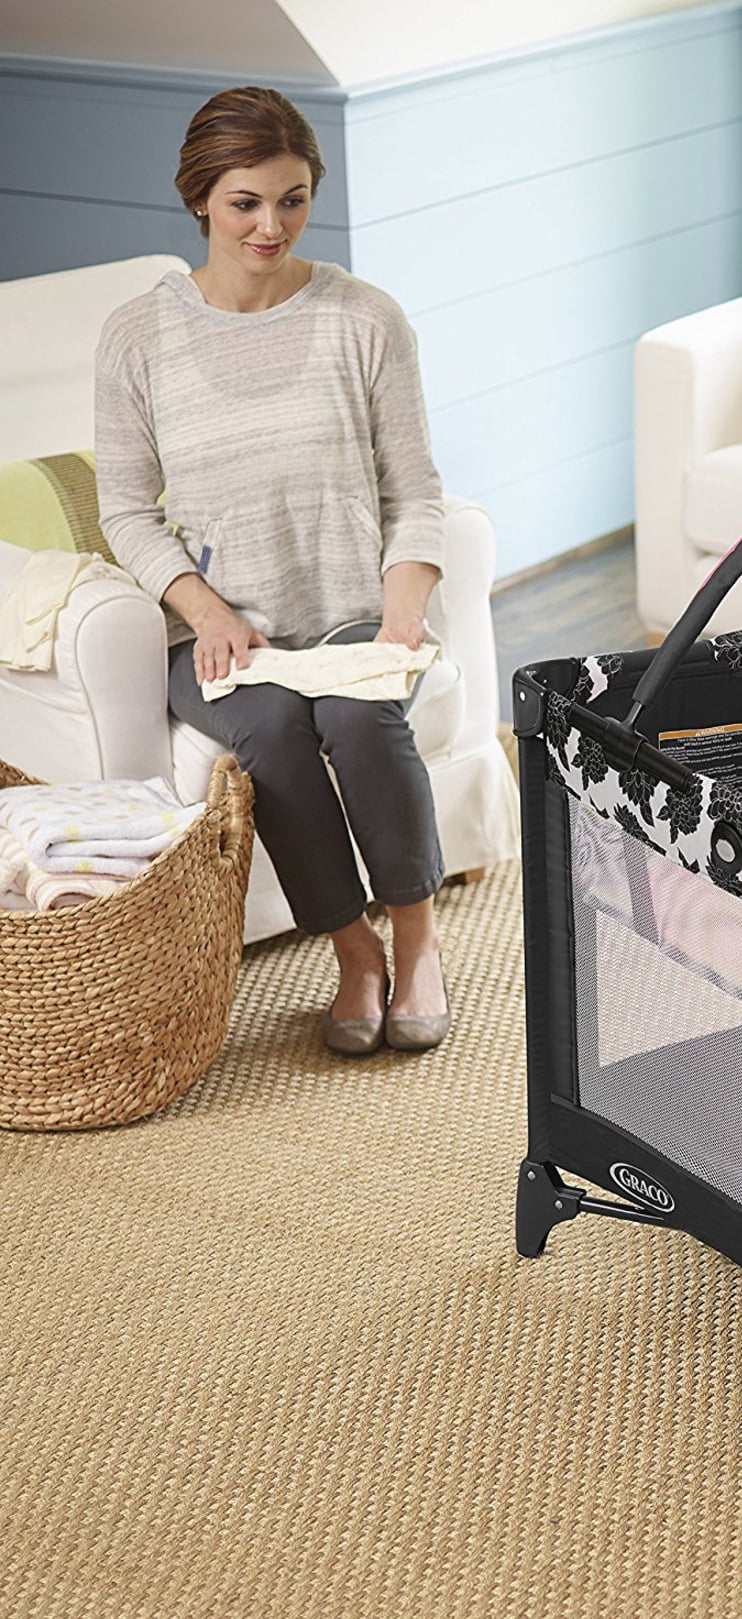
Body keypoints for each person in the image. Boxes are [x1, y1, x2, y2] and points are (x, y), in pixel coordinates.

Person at [95, 86, 450, 1055]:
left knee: (359, 720)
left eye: (293, 200)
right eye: (245, 202)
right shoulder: (138, 335)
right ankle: (353, 953)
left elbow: (415, 488)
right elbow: (124, 509)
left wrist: (403, 609)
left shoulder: (364, 318)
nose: (271, 226)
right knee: (273, 736)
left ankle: (416, 941)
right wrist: (206, 610)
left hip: (350, 609)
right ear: (200, 198)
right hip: (219, 628)